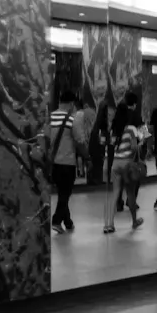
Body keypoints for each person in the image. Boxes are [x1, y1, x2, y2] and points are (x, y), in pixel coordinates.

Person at [104, 91, 147, 234]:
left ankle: (109, 225)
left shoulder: (115, 128)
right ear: (134, 104)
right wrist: (137, 152)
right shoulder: (133, 125)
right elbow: (139, 142)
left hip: (115, 163)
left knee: (115, 193)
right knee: (130, 193)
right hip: (128, 164)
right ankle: (134, 221)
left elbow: (110, 144)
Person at [47, 89, 89, 233]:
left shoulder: (49, 117)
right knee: (65, 194)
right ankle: (56, 220)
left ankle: (68, 222)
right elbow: (80, 141)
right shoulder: (72, 120)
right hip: (67, 163)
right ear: (71, 104)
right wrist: (87, 157)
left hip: (52, 163)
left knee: (62, 193)